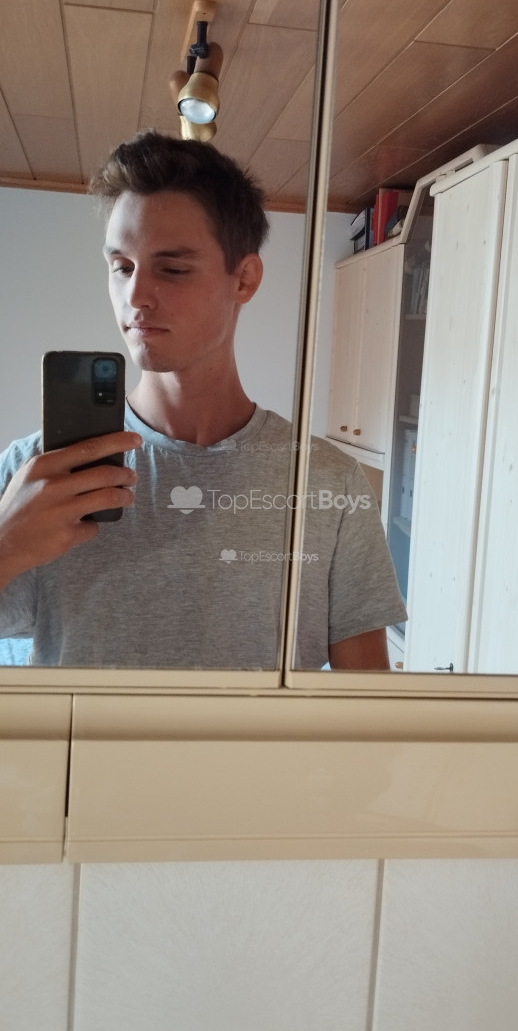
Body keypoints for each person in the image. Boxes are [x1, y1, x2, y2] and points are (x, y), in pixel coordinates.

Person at [0, 131, 406, 669]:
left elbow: (365, 694)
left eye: (172, 269)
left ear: (245, 279)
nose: (135, 296)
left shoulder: (328, 484)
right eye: (121, 266)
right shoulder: (35, 472)